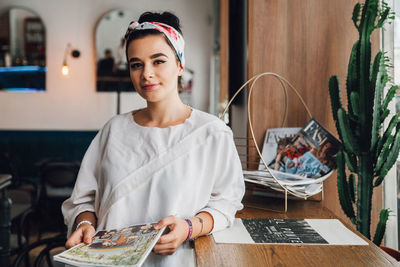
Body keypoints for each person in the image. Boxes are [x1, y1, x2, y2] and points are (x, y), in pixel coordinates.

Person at [62, 11, 245, 267]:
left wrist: (189, 228)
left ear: (180, 64)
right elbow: (82, 199)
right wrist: (84, 223)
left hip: (178, 261)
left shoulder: (212, 133)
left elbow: (226, 205)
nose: (146, 73)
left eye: (158, 61)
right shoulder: (113, 130)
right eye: (136, 64)